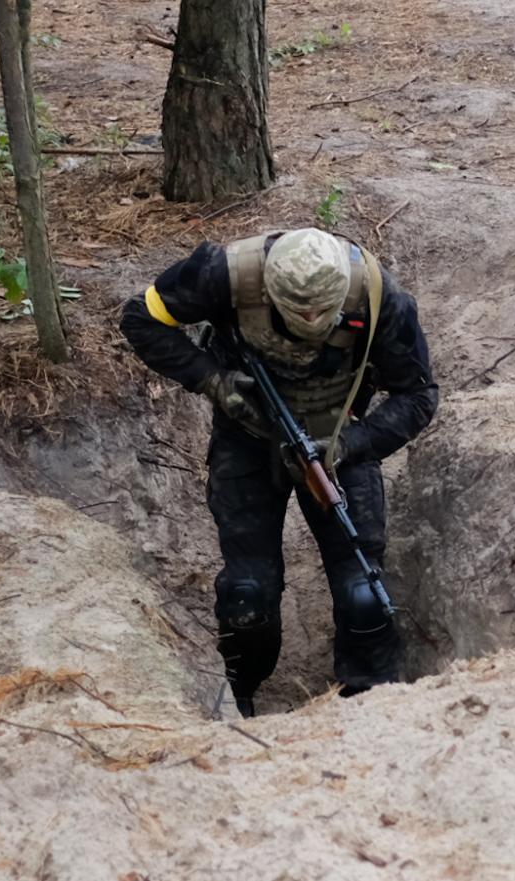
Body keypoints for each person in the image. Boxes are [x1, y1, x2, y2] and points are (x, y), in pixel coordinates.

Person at [119, 228, 439, 716]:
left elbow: (418, 395)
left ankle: (374, 712)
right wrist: (212, 379)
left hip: (337, 443)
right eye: (299, 312)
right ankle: (238, 698)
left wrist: (352, 443)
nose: (311, 321)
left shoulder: (378, 294)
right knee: (248, 596)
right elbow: (141, 318)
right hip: (247, 438)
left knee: (364, 596)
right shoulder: (225, 276)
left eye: (321, 313)